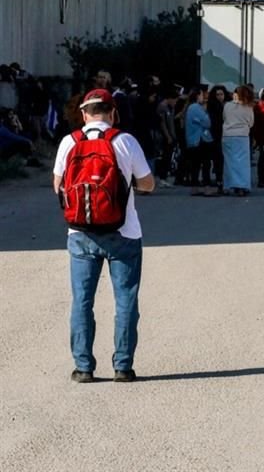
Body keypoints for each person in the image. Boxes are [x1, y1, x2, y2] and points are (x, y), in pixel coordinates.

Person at [53, 89, 155, 383]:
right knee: (125, 300)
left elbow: (58, 186)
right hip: (124, 232)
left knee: (82, 301)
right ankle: (123, 366)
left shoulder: (68, 142)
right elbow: (147, 184)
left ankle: (83, 367)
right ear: (113, 113)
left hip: (80, 233)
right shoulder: (125, 141)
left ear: (84, 114)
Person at [222, 85, 255, 196]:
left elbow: (224, 118)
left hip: (227, 135)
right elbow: (251, 123)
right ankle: (241, 186)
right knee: (242, 163)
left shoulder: (227, 106)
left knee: (229, 162)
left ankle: (228, 185)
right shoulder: (248, 107)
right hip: (242, 136)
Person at [184, 88, 215, 196]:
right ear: (197, 96)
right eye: (202, 95)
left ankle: (195, 187)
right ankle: (207, 187)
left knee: (195, 165)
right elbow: (207, 122)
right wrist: (206, 113)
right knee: (206, 163)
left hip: (192, 140)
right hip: (200, 139)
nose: (203, 97)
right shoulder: (196, 107)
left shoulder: (189, 108)